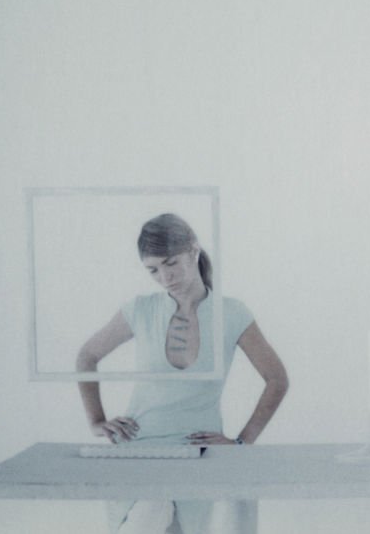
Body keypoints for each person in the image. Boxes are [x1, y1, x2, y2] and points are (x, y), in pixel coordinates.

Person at [76, 213, 289, 534]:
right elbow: (87, 356)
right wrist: (96, 421)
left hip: (202, 452)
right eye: (153, 270)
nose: (165, 277)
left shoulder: (232, 313)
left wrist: (243, 443)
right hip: (140, 449)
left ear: (194, 250)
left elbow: (276, 379)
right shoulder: (140, 309)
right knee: (148, 515)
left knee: (235, 507)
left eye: (170, 263)